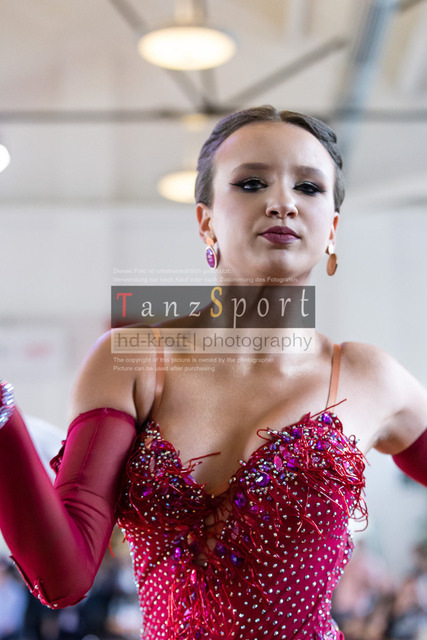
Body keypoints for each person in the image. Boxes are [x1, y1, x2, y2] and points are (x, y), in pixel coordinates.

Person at [0, 106, 426, 640]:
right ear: (206, 221)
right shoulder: (132, 360)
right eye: (251, 183)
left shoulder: (371, 378)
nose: (283, 202)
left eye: (309, 187)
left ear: (332, 230)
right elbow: (62, 577)